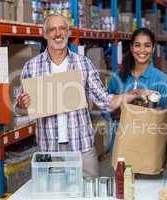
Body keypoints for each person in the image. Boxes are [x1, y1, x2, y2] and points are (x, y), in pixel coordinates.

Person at [15, 13, 139, 178]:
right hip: (49, 150)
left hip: (82, 149)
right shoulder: (31, 67)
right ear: (44, 34)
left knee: (89, 195)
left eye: (62, 28)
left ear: (68, 32)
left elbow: (104, 101)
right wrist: (21, 105)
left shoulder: (83, 64)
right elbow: (21, 112)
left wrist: (134, 94)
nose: (58, 34)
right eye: (52, 29)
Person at [108, 28, 167, 109]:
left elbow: (166, 112)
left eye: (147, 45)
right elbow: (107, 108)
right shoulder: (116, 76)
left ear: (153, 48)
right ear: (131, 47)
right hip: (121, 121)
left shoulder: (161, 79)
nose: (142, 50)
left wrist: (152, 98)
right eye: (137, 45)